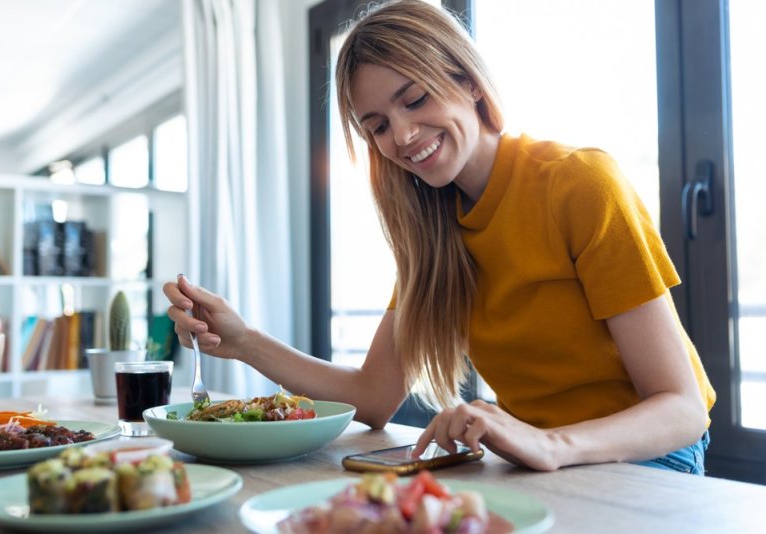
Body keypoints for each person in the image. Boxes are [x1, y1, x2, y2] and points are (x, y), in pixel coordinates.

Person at [164, 0, 715, 474]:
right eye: (377, 125)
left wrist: (550, 443)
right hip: (538, 460)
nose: (402, 136)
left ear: (468, 81)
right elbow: (372, 398)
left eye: (416, 99)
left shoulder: (578, 182)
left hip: (648, 458)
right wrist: (242, 342)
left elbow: (682, 408)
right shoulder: (430, 231)